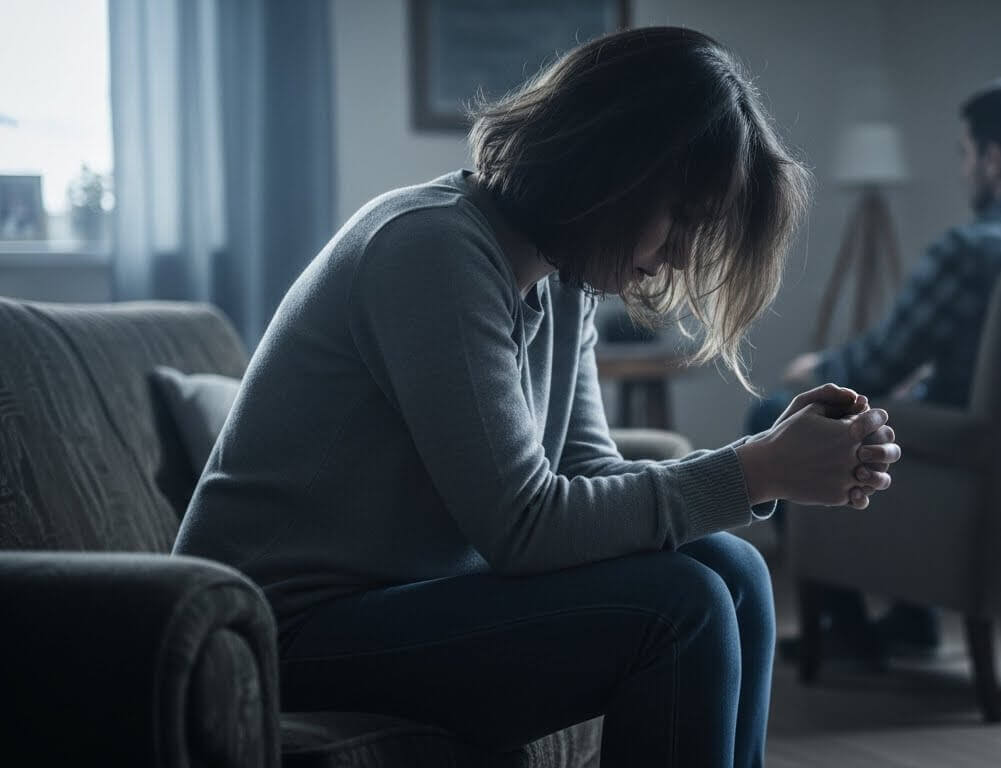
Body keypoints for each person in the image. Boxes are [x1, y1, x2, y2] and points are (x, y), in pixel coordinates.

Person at [173, 27, 902, 768]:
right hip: (276, 634)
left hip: (399, 605)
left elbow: (585, 473)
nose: (681, 254)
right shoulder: (430, 248)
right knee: (675, 604)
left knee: (735, 572)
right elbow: (521, 527)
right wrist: (751, 473)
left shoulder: (564, 276)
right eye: (680, 217)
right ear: (611, 168)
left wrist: (766, 462)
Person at [771, 76, 1001, 663]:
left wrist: (812, 369)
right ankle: (913, 622)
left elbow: (875, 366)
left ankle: (846, 629)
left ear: (994, 160)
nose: (964, 170)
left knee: (778, 416)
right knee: (918, 411)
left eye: (965, 154)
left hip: (971, 482)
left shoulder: (971, 251)